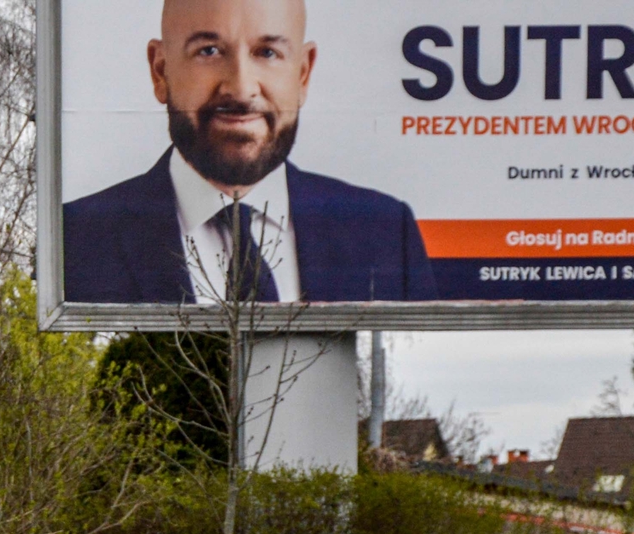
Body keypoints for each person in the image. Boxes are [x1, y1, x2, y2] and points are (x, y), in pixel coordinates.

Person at [62, 0, 434, 305]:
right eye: (208, 51)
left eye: (267, 52)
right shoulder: (74, 239)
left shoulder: (386, 235)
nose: (240, 88)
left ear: (303, 74)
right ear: (160, 71)